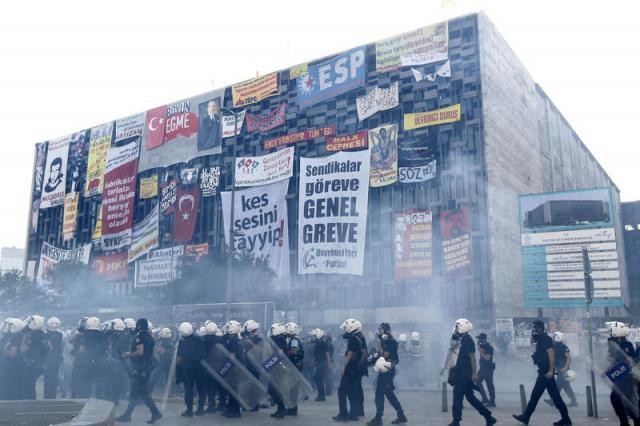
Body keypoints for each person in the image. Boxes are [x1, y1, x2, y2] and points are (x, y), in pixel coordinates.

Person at [513, 320, 572, 425]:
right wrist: (533, 338)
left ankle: (526, 417)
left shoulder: (545, 339)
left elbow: (551, 355)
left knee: (535, 396)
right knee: (555, 397)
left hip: (546, 373)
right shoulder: (540, 339)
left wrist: (550, 370)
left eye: (534, 328)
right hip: (544, 372)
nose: (533, 330)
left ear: (539, 328)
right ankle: (566, 419)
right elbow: (534, 347)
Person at [448, 318, 496, 426]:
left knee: (457, 397)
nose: (455, 329)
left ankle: (456, 421)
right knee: (470, 398)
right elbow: (453, 353)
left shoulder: (468, 340)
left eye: (457, 327)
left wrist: (474, 374)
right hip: (462, 374)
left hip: (464, 375)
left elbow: (472, 358)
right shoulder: (462, 340)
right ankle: (489, 417)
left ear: (462, 328)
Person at [115, 318, 162, 424]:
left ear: (140, 326)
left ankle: (154, 413)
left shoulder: (140, 337)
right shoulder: (149, 337)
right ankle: (129, 415)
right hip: (146, 368)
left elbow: (140, 352)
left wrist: (128, 354)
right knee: (137, 393)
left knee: (139, 393)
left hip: (140, 368)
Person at [367, 322, 407, 426]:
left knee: (379, 393)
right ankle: (401, 416)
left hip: (388, 370)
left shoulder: (391, 342)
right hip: (386, 370)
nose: (379, 332)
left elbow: (385, 355)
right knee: (389, 394)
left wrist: (379, 345)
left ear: (387, 331)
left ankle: (378, 418)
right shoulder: (385, 341)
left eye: (381, 330)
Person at [333, 318, 366, 422]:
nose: (345, 329)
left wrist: (343, 366)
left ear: (351, 327)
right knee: (353, 391)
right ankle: (354, 414)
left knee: (341, 391)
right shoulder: (361, 337)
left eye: (346, 327)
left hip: (350, 367)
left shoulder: (353, 338)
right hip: (357, 368)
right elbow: (364, 353)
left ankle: (343, 414)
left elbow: (350, 353)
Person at [606, 322, 639, 426]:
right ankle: (626, 422)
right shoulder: (617, 344)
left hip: (625, 376)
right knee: (621, 400)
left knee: (622, 400)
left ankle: (627, 422)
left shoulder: (626, 345)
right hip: (620, 376)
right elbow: (614, 360)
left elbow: (628, 361)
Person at [175, 322, 206, 417]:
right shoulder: (199, 339)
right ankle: (200, 410)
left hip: (188, 369)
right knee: (201, 389)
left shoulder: (182, 343)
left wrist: (177, 369)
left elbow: (179, 359)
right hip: (200, 368)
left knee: (188, 389)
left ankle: (189, 411)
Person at [545, 332, 577, 408]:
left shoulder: (563, 347)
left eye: (554, 337)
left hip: (563, 370)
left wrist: (565, 367)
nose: (553, 338)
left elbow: (569, 358)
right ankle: (574, 401)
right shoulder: (554, 347)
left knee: (557, 386)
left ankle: (553, 401)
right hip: (560, 369)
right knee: (566, 387)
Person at [22, 315, 51, 399]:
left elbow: (23, 349)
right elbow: (50, 347)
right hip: (41, 362)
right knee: (31, 384)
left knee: (28, 385)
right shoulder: (44, 334)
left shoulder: (32, 336)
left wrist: (24, 338)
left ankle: (30, 402)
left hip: (32, 363)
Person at [220, 320, 243, 418]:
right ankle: (231, 410)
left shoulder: (234, 341)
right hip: (235, 368)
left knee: (233, 391)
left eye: (228, 328)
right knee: (232, 390)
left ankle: (235, 412)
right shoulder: (236, 340)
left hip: (233, 369)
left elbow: (232, 356)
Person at [2, 318, 26, 400]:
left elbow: (13, 353)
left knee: (13, 382)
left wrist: (4, 350)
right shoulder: (12, 336)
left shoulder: (15, 337)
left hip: (14, 364)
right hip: (11, 364)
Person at [268, 323, 289, 418]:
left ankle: (281, 408)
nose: (271, 332)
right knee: (274, 389)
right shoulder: (280, 339)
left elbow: (280, 353)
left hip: (278, 368)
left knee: (273, 389)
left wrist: (272, 362)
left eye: (273, 330)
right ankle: (280, 409)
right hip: (277, 367)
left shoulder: (278, 339)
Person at [285, 322, 304, 416]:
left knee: (292, 388)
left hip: (294, 366)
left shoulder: (294, 340)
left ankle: (292, 409)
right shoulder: (294, 339)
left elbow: (294, 350)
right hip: (296, 366)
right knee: (293, 388)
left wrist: (285, 355)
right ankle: (292, 408)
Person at [201, 321, 221, 413]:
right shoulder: (220, 339)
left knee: (210, 388)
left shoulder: (204, 340)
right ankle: (221, 405)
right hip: (219, 366)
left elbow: (203, 353)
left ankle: (211, 406)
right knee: (219, 387)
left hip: (209, 367)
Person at [44, 317, 64, 399]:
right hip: (52, 358)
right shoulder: (59, 334)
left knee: (51, 378)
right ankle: (49, 395)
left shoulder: (59, 334)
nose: (54, 325)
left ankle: (50, 395)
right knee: (50, 378)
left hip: (52, 358)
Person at [475, 333, 496, 407]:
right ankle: (486, 399)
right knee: (479, 381)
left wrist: (480, 351)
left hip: (488, 367)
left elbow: (488, 358)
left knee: (488, 384)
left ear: (483, 339)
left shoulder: (489, 347)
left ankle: (491, 401)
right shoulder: (481, 346)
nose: (478, 340)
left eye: (479, 338)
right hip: (483, 367)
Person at [310, 329, 331, 402]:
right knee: (318, 379)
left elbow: (327, 354)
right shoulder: (318, 344)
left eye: (314, 336)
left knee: (318, 378)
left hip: (322, 364)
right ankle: (321, 395)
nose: (313, 338)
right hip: (319, 363)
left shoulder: (322, 343)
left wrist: (329, 363)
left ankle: (321, 395)